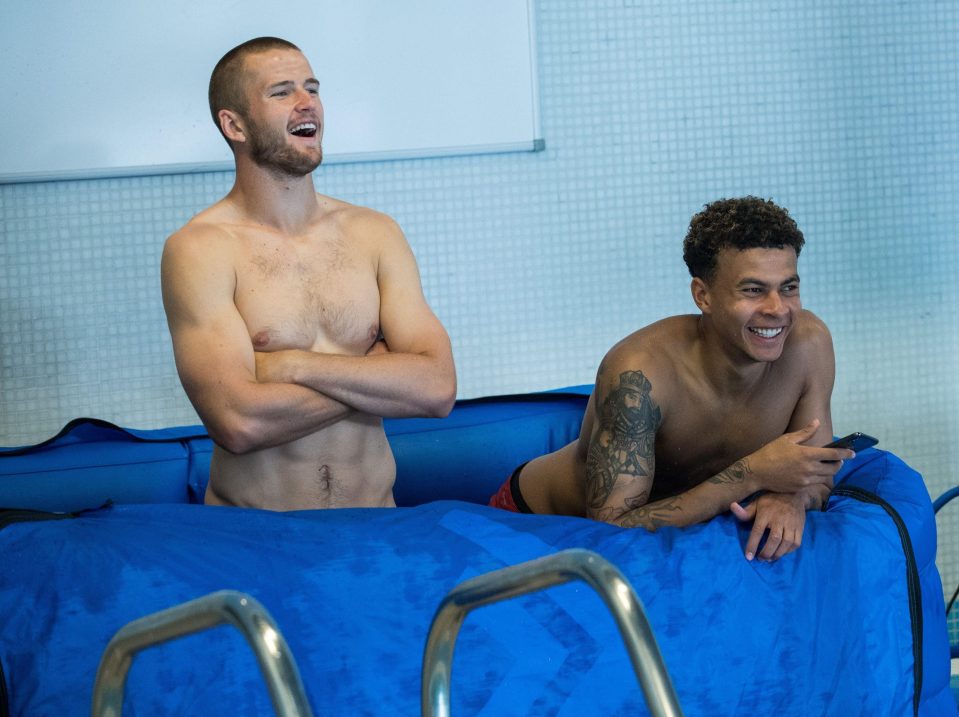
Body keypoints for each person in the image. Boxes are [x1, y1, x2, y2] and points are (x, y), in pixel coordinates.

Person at [161, 37, 456, 511]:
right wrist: (377, 375)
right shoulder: (200, 250)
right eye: (281, 92)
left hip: (377, 527)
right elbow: (239, 423)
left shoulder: (374, 234)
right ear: (234, 124)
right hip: (261, 536)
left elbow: (438, 389)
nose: (308, 104)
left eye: (312, 88)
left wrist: (291, 366)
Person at [489, 196, 855, 562]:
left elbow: (816, 475)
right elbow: (610, 531)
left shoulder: (808, 344)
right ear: (703, 295)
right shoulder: (640, 374)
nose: (777, 309)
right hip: (537, 526)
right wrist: (752, 475)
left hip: (665, 533)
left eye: (788, 288)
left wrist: (789, 497)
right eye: (753, 290)